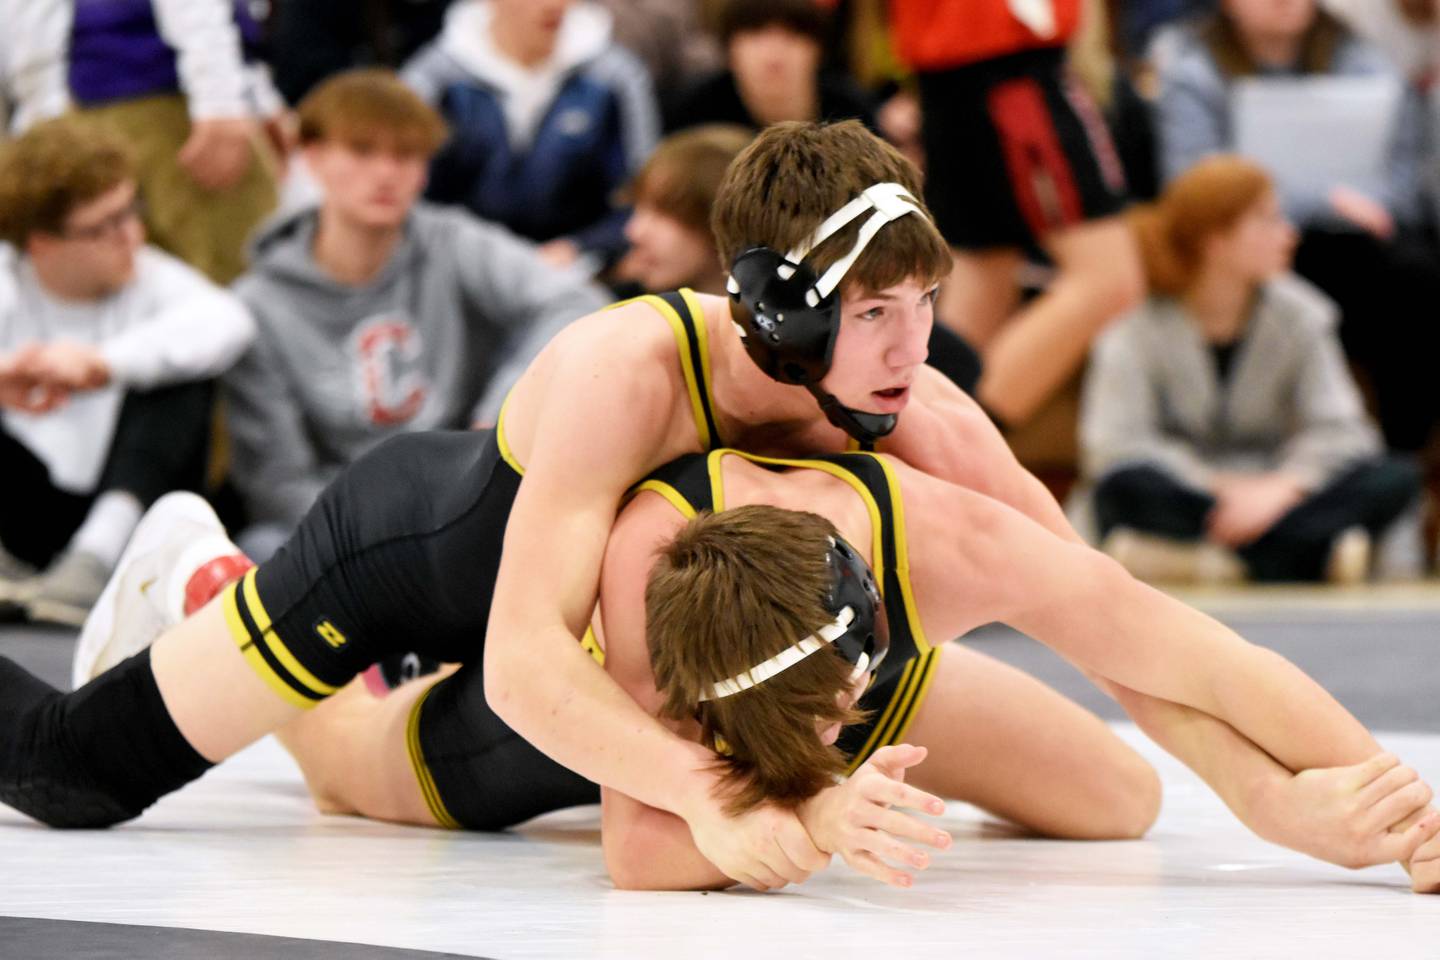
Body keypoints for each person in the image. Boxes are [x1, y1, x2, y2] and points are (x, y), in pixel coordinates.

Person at [0, 118, 1334, 892]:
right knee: (74, 773)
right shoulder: (628, 371)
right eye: (876, 314)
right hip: (412, 569)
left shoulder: (926, 413)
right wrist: (721, 800)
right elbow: (525, 661)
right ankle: (210, 586)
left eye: (924, 309)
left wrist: (1285, 803)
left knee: (1105, 790)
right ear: (775, 308)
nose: (912, 351)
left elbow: (1114, 625)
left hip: (642, 653)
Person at [38, 440, 1440, 894]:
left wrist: (1341, 802)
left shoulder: (933, 521)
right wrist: (808, 813)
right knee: (359, 777)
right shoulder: (652, 624)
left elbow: (1191, 655)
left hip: (777, 639)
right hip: (522, 633)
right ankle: (210, 587)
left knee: (1116, 797)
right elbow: (649, 851)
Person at [226, 70, 608, 555]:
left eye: (406, 155)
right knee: (257, 549)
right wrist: (383, 545)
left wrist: (502, 415)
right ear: (313, 157)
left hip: (467, 503)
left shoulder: (450, 241)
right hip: (337, 535)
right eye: (362, 151)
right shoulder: (258, 303)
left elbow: (574, 302)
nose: (386, 173)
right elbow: (278, 485)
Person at [1079, 156, 1420, 584]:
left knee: (1396, 477)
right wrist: (1219, 485)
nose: (1289, 234)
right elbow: (1113, 444)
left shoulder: (1304, 315)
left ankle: (1214, 560)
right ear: (1214, 239)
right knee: (1124, 487)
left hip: (1277, 489)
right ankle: (1296, 554)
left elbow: (1344, 431)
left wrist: (1285, 487)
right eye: (1268, 220)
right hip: (1188, 490)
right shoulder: (1135, 324)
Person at [1155, 0, 1440, 451]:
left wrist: (1365, 205)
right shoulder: (1192, 66)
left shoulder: (1359, 54)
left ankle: (1397, 460)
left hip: (1360, 243)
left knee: (1417, 279)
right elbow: (1191, 186)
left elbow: (1405, 175)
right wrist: (1317, 200)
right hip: (1251, 242)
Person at [0, 117, 254, 624]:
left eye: (131, 211)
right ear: (42, 244)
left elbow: (230, 323)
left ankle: (92, 563)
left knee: (183, 379)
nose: (131, 235)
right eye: (104, 226)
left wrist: (103, 364)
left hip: (128, 516)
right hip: (27, 506)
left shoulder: (153, 276)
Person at [888, 0, 1145, 427]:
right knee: (1109, 281)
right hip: (1006, 60)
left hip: (957, 71)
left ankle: (918, 453)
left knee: (984, 281)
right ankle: (954, 446)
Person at [402, 0, 659, 273]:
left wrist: (582, 247)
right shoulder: (431, 81)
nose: (555, 5)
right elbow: (410, 200)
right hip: (458, 271)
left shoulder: (617, 77)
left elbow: (641, 196)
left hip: (581, 274)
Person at [68, 0, 287, 285]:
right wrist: (221, 104)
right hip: (169, 97)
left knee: (155, 284)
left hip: (105, 97)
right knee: (248, 278)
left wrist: (259, 97)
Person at [666, 0, 877, 134]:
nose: (775, 54)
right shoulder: (695, 113)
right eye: (756, 34)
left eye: (793, 35)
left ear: (818, 51)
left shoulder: (851, 111)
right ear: (729, 51)